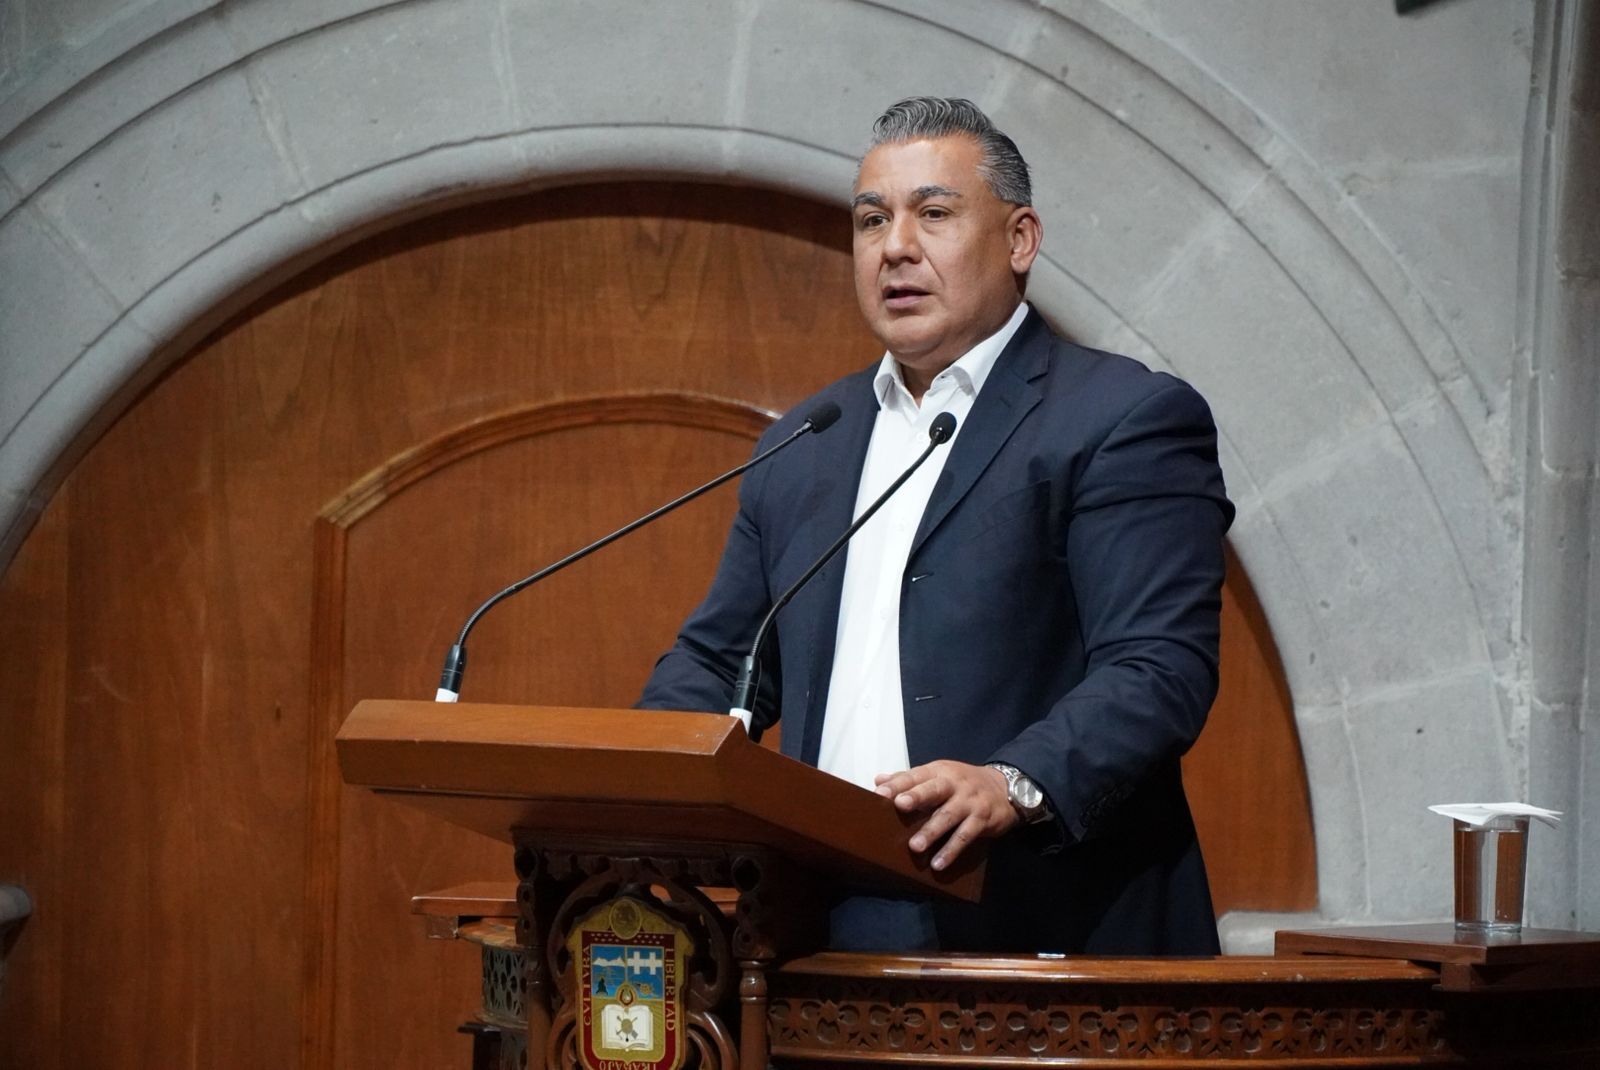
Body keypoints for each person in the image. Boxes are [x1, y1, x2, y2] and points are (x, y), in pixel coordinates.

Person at [639, 97, 1233, 955]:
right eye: (871, 220)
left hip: (1034, 921)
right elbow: (718, 662)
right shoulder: (809, 439)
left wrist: (1011, 782)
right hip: (817, 925)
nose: (895, 247)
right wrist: (641, 774)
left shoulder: (1119, 418)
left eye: (935, 214)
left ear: (1020, 239)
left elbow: (1158, 667)